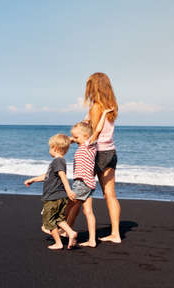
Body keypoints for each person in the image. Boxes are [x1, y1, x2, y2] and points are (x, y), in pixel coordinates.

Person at [67, 72, 122, 244]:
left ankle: (66, 228)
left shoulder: (96, 107)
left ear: (94, 87)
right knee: (110, 194)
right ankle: (115, 234)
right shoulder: (111, 107)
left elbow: (92, 133)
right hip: (110, 152)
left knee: (79, 192)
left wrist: (75, 139)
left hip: (96, 154)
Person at [24, 134, 77, 250]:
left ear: (55, 148)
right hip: (59, 197)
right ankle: (71, 232)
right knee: (59, 219)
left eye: (50, 147)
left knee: (49, 220)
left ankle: (58, 243)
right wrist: (33, 179)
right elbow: (47, 176)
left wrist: (69, 190)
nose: (49, 150)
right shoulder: (59, 162)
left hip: (53, 197)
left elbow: (63, 176)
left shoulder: (57, 161)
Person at [69, 109, 114, 248]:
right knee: (88, 211)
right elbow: (72, 138)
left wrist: (104, 113)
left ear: (85, 136)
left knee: (67, 205)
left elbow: (98, 129)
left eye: (76, 137)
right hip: (89, 183)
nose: (74, 140)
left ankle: (62, 229)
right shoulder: (84, 144)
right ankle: (92, 240)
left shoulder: (89, 144)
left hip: (82, 183)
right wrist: (72, 137)